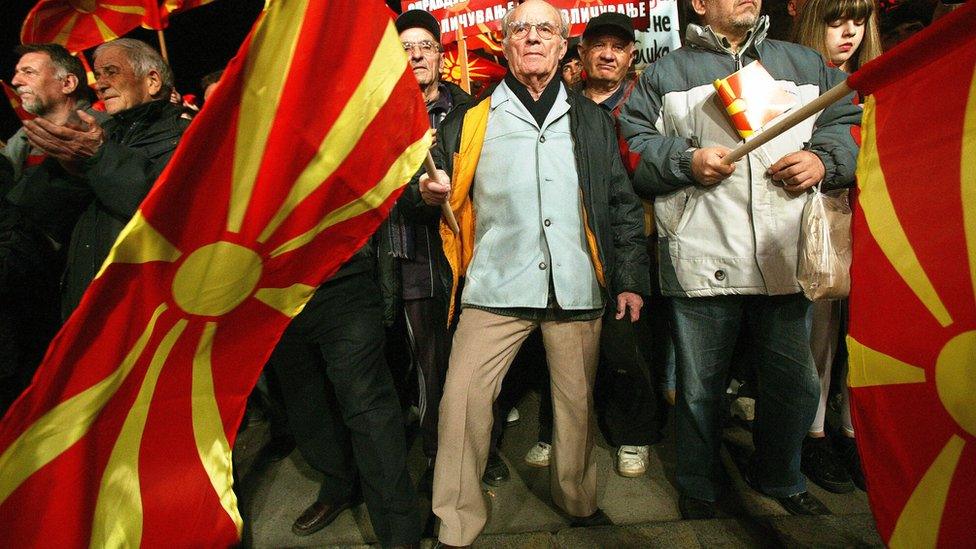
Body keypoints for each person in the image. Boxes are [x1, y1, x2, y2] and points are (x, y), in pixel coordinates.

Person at [406, 1, 650, 545]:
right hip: (493, 286)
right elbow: (423, 189)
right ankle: (456, 519)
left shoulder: (592, 120)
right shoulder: (472, 118)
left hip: (576, 285)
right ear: (505, 42)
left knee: (577, 407)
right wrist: (424, 194)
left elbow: (620, 204)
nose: (533, 37)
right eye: (521, 29)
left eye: (546, 29)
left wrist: (629, 277)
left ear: (565, 48)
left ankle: (578, 499)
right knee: (460, 403)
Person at [620, 0, 861, 519]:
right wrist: (686, 161)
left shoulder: (805, 64)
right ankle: (698, 486)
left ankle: (780, 474)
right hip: (703, 256)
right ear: (701, 4)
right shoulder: (666, 73)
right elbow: (634, 148)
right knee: (700, 390)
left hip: (784, 256)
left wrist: (824, 159)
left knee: (794, 385)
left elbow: (847, 121)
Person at [522, 12, 668, 479]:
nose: (608, 54)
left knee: (626, 349)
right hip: (567, 248)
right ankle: (554, 430)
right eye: (598, 45)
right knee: (558, 348)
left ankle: (632, 435)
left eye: (618, 47)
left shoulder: (644, 106)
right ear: (579, 54)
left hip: (628, 243)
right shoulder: (558, 103)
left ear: (631, 55)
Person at [378, 9, 484, 495]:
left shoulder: (472, 111)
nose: (416, 54)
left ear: (441, 57)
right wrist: (416, 195)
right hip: (413, 261)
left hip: (467, 257)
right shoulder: (379, 116)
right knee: (430, 369)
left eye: (426, 46)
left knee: (474, 365)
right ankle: (440, 460)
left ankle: (482, 451)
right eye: (406, 48)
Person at [11, 38, 189, 319]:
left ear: (152, 80)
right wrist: (66, 167)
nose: (100, 83)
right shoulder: (101, 137)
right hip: (93, 312)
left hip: (152, 312)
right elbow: (39, 217)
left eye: (112, 72)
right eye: (99, 74)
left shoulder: (188, 137)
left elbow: (169, 210)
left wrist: (98, 156)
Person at [265, 239, 421, 548]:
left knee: (370, 412)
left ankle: (400, 537)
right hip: (274, 289)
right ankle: (339, 485)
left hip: (341, 274)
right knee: (306, 406)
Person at [792, 0, 880, 494]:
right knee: (818, 337)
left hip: (877, 221)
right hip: (822, 221)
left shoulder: (882, 76)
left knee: (864, 333)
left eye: (858, 19)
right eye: (835, 20)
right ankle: (815, 433)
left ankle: (851, 432)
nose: (849, 31)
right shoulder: (802, 81)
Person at [0, 43, 108, 412]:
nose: (16, 81)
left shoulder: (105, 130)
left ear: (67, 83)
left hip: (87, 286)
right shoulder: (19, 142)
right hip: (32, 294)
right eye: (16, 74)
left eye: (28, 72)